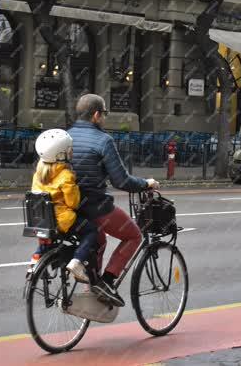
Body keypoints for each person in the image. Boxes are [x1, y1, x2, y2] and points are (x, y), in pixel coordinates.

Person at [68, 94, 159, 306]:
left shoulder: (66, 135)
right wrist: (146, 183)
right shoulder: (103, 140)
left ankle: (91, 284)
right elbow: (121, 180)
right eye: (104, 115)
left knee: (99, 241)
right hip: (94, 206)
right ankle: (106, 281)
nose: (104, 119)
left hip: (68, 207)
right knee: (134, 235)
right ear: (96, 115)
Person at [29, 129, 97, 284]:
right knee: (91, 231)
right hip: (62, 221)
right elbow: (73, 203)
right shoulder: (66, 175)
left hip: (43, 221)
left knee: (49, 241)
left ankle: (34, 261)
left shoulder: (38, 174)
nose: (71, 152)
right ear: (60, 155)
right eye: (69, 150)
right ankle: (77, 262)